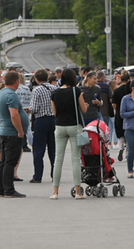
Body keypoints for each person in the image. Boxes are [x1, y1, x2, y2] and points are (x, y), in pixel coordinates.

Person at [50, 67, 88, 199]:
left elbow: (54, 113)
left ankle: (55, 192)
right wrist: (86, 105)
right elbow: (83, 110)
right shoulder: (76, 90)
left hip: (60, 126)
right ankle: (78, 192)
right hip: (74, 126)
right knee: (75, 160)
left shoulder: (54, 93)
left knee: (58, 160)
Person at [0, 70, 28, 198]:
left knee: (4, 161)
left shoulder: (1, 93)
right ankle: (9, 189)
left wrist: (3, 122)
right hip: (11, 133)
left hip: (3, 130)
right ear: (16, 81)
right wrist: (20, 131)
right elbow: (14, 115)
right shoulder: (11, 95)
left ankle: (1, 189)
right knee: (10, 161)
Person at [29, 69, 55, 184]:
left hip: (41, 120)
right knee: (53, 149)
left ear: (36, 79)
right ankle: (55, 174)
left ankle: (37, 175)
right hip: (53, 119)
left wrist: (28, 109)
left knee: (38, 149)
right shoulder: (55, 88)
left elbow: (34, 108)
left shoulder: (37, 90)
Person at [112, 72, 131, 161]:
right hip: (129, 114)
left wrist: (117, 110)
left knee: (120, 133)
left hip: (119, 113)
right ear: (128, 80)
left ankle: (120, 147)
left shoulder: (116, 91)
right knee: (128, 133)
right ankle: (127, 153)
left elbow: (114, 104)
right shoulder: (130, 90)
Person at [14, 74, 33, 152]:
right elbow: (30, 98)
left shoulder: (15, 89)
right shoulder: (26, 88)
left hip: (17, 109)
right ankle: (28, 143)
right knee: (27, 128)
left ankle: (19, 144)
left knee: (17, 127)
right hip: (26, 108)